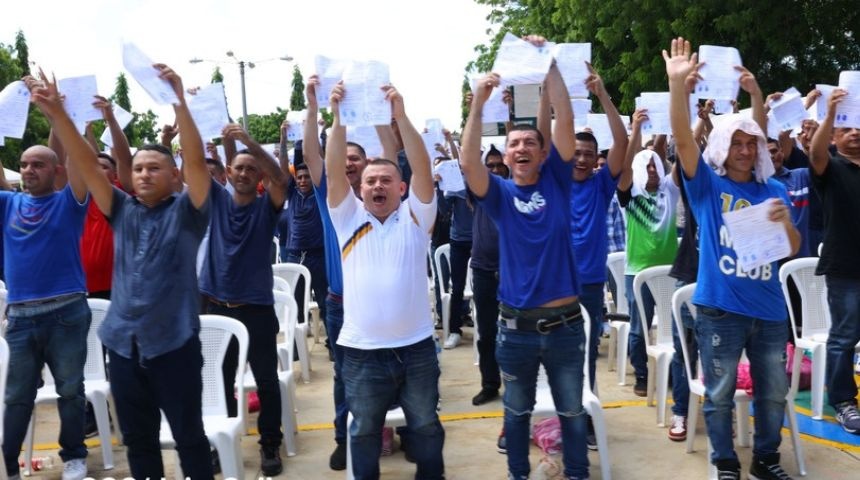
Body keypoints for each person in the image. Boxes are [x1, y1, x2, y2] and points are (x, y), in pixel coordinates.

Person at [29, 64, 216, 479]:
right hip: (123, 347)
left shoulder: (189, 213)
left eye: (154, 168)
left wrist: (180, 101)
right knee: (138, 441)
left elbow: (199, 166)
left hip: (175, 347)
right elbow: (88, 166)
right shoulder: (121, 209)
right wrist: (59, 115)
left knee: (189, 437)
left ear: (174, 176)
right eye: (139, 168)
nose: (144, 174)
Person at [666, 37, 801, 479]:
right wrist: (678, 89)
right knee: (719, 394)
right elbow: (684, 141)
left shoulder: (775, 189)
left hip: (769, 312)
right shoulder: (707, 186)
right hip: (720, 311)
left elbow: (794, 250)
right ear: (723, 147)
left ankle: (766, 459)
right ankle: (725, 462)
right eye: (737, 143)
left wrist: (783, 224)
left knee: (774, 393)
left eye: (752, 144)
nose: (745, 150)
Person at [460, 35, 588, 479]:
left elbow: (564, 117)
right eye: (513, 143)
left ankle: (577, 474)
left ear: (541, 152)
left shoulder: (557, 180)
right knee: (516, 415)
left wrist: (547, 61)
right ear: (506, 155)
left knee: (573, 413)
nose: (521, 148)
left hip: (567, 326)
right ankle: (518, 474)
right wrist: (478, 105)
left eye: (529, 142)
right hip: (515, 331)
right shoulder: (498, 194)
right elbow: (468, 164)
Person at [326, 79, 443, 479]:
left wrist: (401, 116)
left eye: (386, 180)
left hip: (416, 350)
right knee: (362, 432)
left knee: (426, 426)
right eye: (370, 181)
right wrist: (338, 118)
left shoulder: (416, 217)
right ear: (358, 190)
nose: (377, 185)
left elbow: (423, 164)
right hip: (361, 352)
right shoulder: (347, 219)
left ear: (402, 187)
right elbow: (332, 167)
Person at [301, 74, 399, 471]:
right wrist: (314, 106)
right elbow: (312, 154)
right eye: (346, 158)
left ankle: (394, 427)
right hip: (343, 304)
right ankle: (345, 435)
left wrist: (379, 110)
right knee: (346, 375)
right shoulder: (333, 201)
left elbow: (391, 153)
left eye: (359, 158)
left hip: (392, 303)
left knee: (401, 368)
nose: (352, 163)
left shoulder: (387, 197)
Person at [0, 134, 91, 480]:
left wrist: (59, 117)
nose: (28, 170)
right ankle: (7, 463)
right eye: (24, 164)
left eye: (37, 164)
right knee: (16, 395)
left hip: (66, 312)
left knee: (70, 389)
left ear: (57, 170)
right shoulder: (8, 203)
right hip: (21, 317)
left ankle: (74, 456)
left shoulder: (69, 202)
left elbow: (82, 163)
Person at [199, 123, 288, 475]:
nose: (246, 173)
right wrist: (224, 143)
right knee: (217, 381)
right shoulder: (216, 198)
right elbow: (197, 165)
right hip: (217, 308)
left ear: (260, 176)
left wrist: (248, 142)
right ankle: (221, 444)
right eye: (239, 168)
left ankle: (270, 445)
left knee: (267, 381)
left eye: (253, 169)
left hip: (257, 310)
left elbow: (281, 179)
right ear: (228, 173)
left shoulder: (268, 206)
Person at [567, 63, 629, 448]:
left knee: (586, 356)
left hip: (589, 287)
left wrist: (603, 94)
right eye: (576, 153)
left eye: (589, 154)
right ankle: (557, 415)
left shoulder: (601, 186)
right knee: (553, 358)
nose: (582, 159)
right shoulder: (553, 182)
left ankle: (586, 416)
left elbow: (621, 142)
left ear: (596, 159)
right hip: (554, 287)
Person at [809, 88, 860, 435]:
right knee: (844, 336)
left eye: (859, 126)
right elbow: (814, 152)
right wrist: (829, 115)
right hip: (844, 267)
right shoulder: (830, 167)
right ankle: (843, 400)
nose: (854, 132)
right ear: (835, 137)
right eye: (846, 128)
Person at [618, 121, 679, 398]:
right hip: (638, 273)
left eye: (655, 164)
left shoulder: (669, 189)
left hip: (670, 273)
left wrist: (680, 120)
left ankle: (672, 372)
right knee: (639, 328)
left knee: (674, 326)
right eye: (647, 166)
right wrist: (637, 131)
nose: (652, 169)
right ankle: (641, 374)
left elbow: (681, 156)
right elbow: (625, 162)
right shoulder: (630, 195)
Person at [469, 144, 508, 406]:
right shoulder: (479, 193)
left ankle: (519, 384)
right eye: (489, 166)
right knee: (487, 332)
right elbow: (468, 163)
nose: (494, 170)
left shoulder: (513, 191)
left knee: (517, 332)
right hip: (483, 270)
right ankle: (490, 383)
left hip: (513, 271)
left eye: (499, 165)